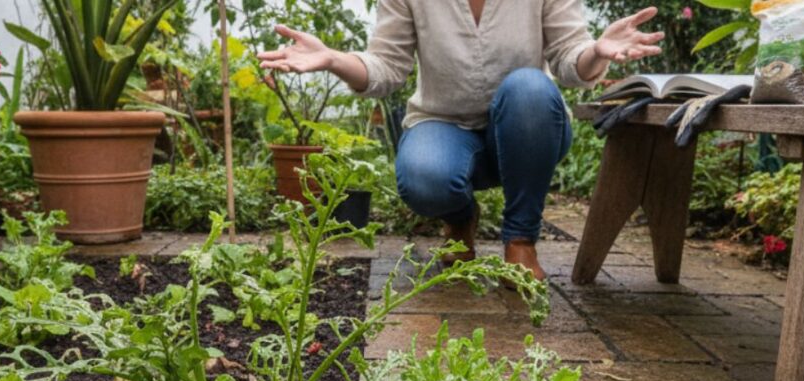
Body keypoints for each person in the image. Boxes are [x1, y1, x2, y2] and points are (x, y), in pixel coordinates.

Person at [258, 1, 663, 280]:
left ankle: (520, 240)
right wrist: (333, 59)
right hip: (442, 123)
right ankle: (459, 218)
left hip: (527, 127)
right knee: (423, 178)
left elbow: (570, 59)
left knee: (531, 88)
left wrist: (597, 50)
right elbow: (387, 67)